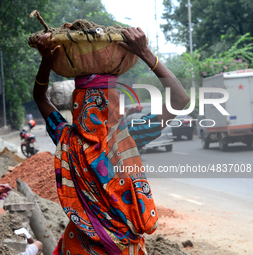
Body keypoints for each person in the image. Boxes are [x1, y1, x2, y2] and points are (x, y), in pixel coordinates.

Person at [33, 27, 189, 254]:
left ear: (77, 105)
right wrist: (146, 54)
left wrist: (47, 62)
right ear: (115, 103)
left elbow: (40, 97)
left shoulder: (66, 138)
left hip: (79, 247)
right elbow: (180, 99)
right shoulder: (128, 136)